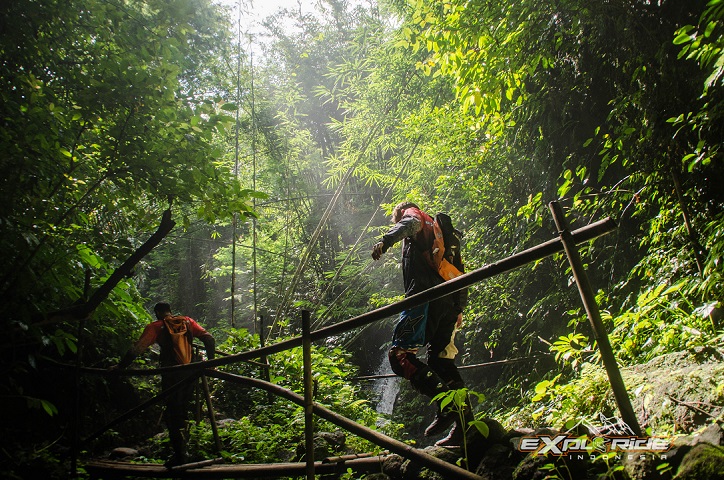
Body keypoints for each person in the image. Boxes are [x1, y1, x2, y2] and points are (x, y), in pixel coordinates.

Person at [371, 202, 469, 447]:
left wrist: (386, 240)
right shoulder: (442, 236)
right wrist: (459, 308)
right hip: (449, 302)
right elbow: (460, 271)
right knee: (441, 362)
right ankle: (465, 427)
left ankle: (447, 405)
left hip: (425, 299)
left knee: (399, 356)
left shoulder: (415, 216)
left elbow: (411, 223)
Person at [114, 302, 215, 467]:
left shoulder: (156, 327)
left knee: (172, 412)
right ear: (170, 311)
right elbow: (209, 339)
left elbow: (137, 349)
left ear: (157, 313)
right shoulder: (188, 322)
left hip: (171, 375)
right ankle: (186, 452)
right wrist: (211, 363)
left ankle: (180, 455)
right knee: (183, 410)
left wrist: (120, 367)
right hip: (190, 373)